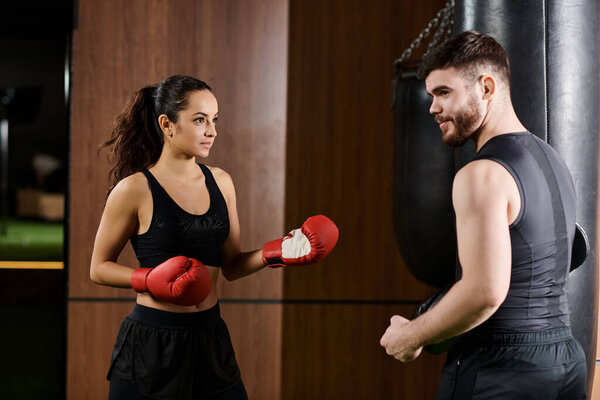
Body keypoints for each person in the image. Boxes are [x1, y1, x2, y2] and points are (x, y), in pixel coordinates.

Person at [90, 75, 339, 400]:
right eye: (199, 120)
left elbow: (232, 265)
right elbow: (98, 268)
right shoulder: (135, 189)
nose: (212, 131)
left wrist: (277, 252)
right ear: (167, 124)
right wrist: (150, 279)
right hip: (152, 344)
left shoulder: (221, 182)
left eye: (214, 120)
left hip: (210, 337)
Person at [380, 31, 587, 399]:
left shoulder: (480, 175)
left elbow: (485, 292)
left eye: (444, 93)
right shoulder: (554, 161)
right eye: (430, 95)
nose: (432, 107)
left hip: (501, 370)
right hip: (566, 363)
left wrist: (410, 337)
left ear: (487, 87)